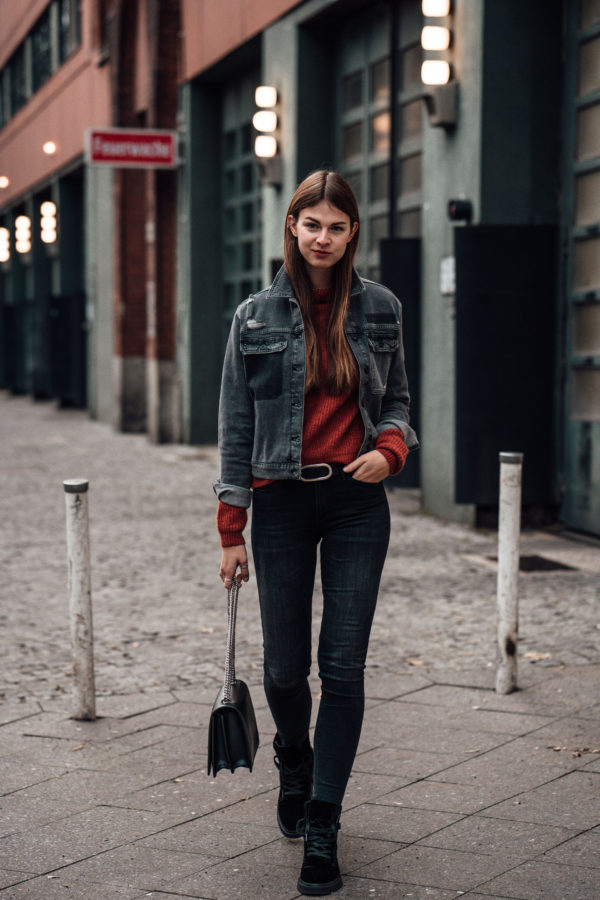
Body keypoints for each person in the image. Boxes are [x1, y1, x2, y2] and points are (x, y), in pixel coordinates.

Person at [214, 170, 418, 896]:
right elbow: (236, 426)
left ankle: (324, 823)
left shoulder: (381, 308)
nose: (323, 238)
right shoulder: (255, 317)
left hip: (358, 504)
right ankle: (293, 761)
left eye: (337, 226)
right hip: (281, 506)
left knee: (344, 669)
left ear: (352, 232)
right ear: (293, 228)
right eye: (312, 225)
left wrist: (390, 449)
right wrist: (230, 526)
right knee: (280, 670)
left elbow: (395, 401)